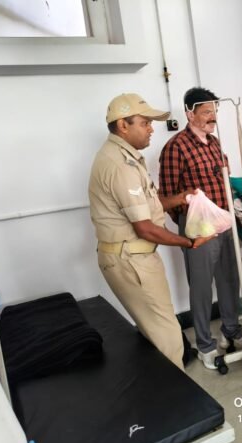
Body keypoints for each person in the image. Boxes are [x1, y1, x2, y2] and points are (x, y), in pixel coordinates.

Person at [89, 93, 202, 371]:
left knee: (157, 330)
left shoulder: (124, 157)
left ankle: (167, 389)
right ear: (123, 125)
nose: (152, 129)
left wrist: (180, 198)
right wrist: (189, 242)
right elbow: (145, 228)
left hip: (132, 257)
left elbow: (147, 206)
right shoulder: (120, 165)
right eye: (145, 123)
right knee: (167, 337)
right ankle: (176, 394)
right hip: (132, 260)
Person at [158, 87, 242, 370]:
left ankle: (231, 331)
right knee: (201, 287)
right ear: (190, 114)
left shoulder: (214, 143)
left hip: (224, 220)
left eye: (215, 111)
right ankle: (205, 345)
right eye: (207, 112)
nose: (213, 117)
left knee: (229, 280)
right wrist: (189, 224)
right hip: (199, 226)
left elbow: (225, 181)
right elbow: (166, 196)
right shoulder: (175, 147)